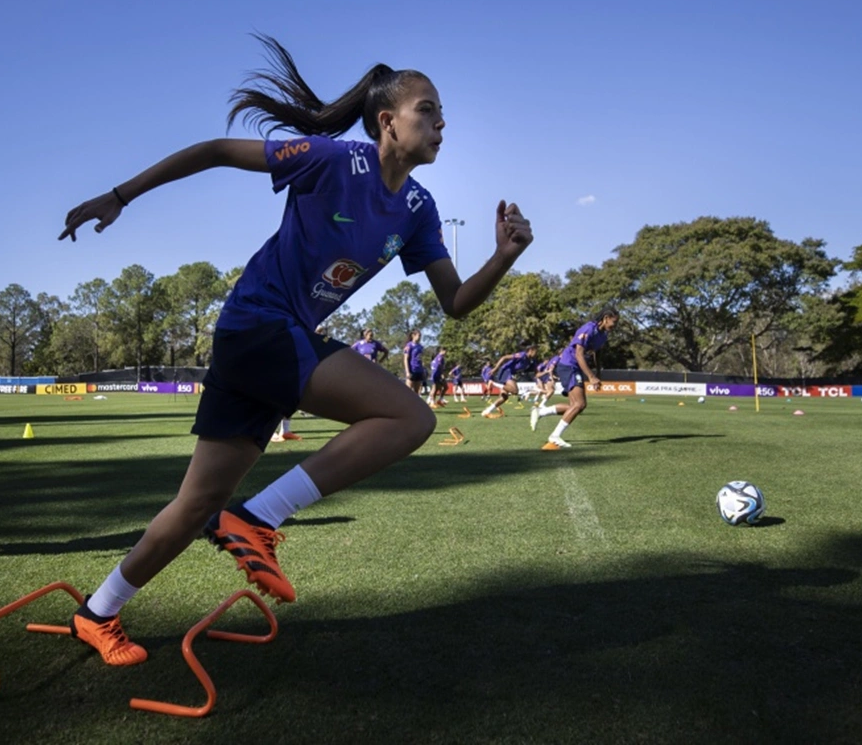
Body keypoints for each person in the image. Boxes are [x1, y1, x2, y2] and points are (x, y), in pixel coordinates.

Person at [57, 35, 533, 665]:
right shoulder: (335, 160)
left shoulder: (419, 208)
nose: (442, 122)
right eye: (429, 109)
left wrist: (503, 256)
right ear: (388, 121)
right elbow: (216, 151)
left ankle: (97, 612)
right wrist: (119, 196)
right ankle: (258, 518)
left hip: (267, 347)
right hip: (257, 327)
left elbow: (455, 301)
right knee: (411, 416)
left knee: (197, 503)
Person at [531, 309, 619, 449]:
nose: (615, 326)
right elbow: (579, 354)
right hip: (568, 365)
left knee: (576, 406)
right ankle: (554, 436)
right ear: (606, 318)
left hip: (575, 368)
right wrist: (591, 377)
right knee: (579, 404)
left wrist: (597, 372)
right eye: (614, 322)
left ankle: (541, 412)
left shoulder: (603, 335)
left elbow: (598, 352)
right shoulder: (588, 329)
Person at [481, 342, 537, 416]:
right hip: (506, 371)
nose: (536, 353)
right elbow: (504, 357)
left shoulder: (529, 361)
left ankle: (487, 411)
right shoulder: (522, 355)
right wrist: (495, 368)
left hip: (511, 374)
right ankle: (493, 383)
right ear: (530, 350)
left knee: (504, 397)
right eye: (536, 351)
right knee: (515, 391)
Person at [402, 329, 426, 394]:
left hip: (419, 370)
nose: (420, 337)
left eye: (420, 336)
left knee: (417, 392)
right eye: (419, 335)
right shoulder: (409, 345)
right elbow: (405, 359)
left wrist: (423, 370)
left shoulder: (420, 347)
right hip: (412, 370)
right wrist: (407, 372)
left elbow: (421, 359)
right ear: (413, 335)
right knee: (408, 391)